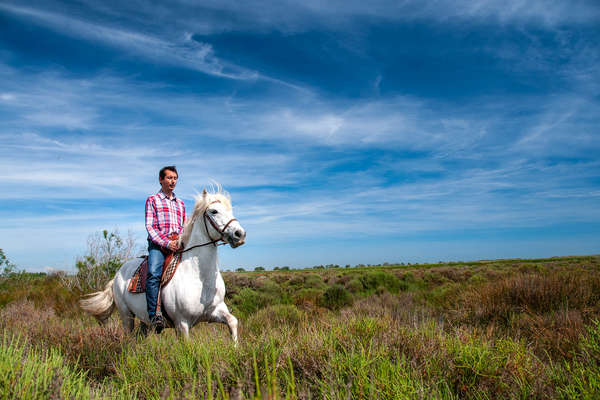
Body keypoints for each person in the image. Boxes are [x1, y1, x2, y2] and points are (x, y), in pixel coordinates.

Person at [145, 166, 186, 332]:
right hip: (159, 245)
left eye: (175, 178)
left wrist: (180, 241)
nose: (173, 181)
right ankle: (155, 315)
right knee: (153, 273)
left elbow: (184, 226)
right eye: (169, 178)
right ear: (161, 180)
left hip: (177, 244)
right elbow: (150, 226)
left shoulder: (181, 204)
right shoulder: (153, 200)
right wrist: (167, 243)